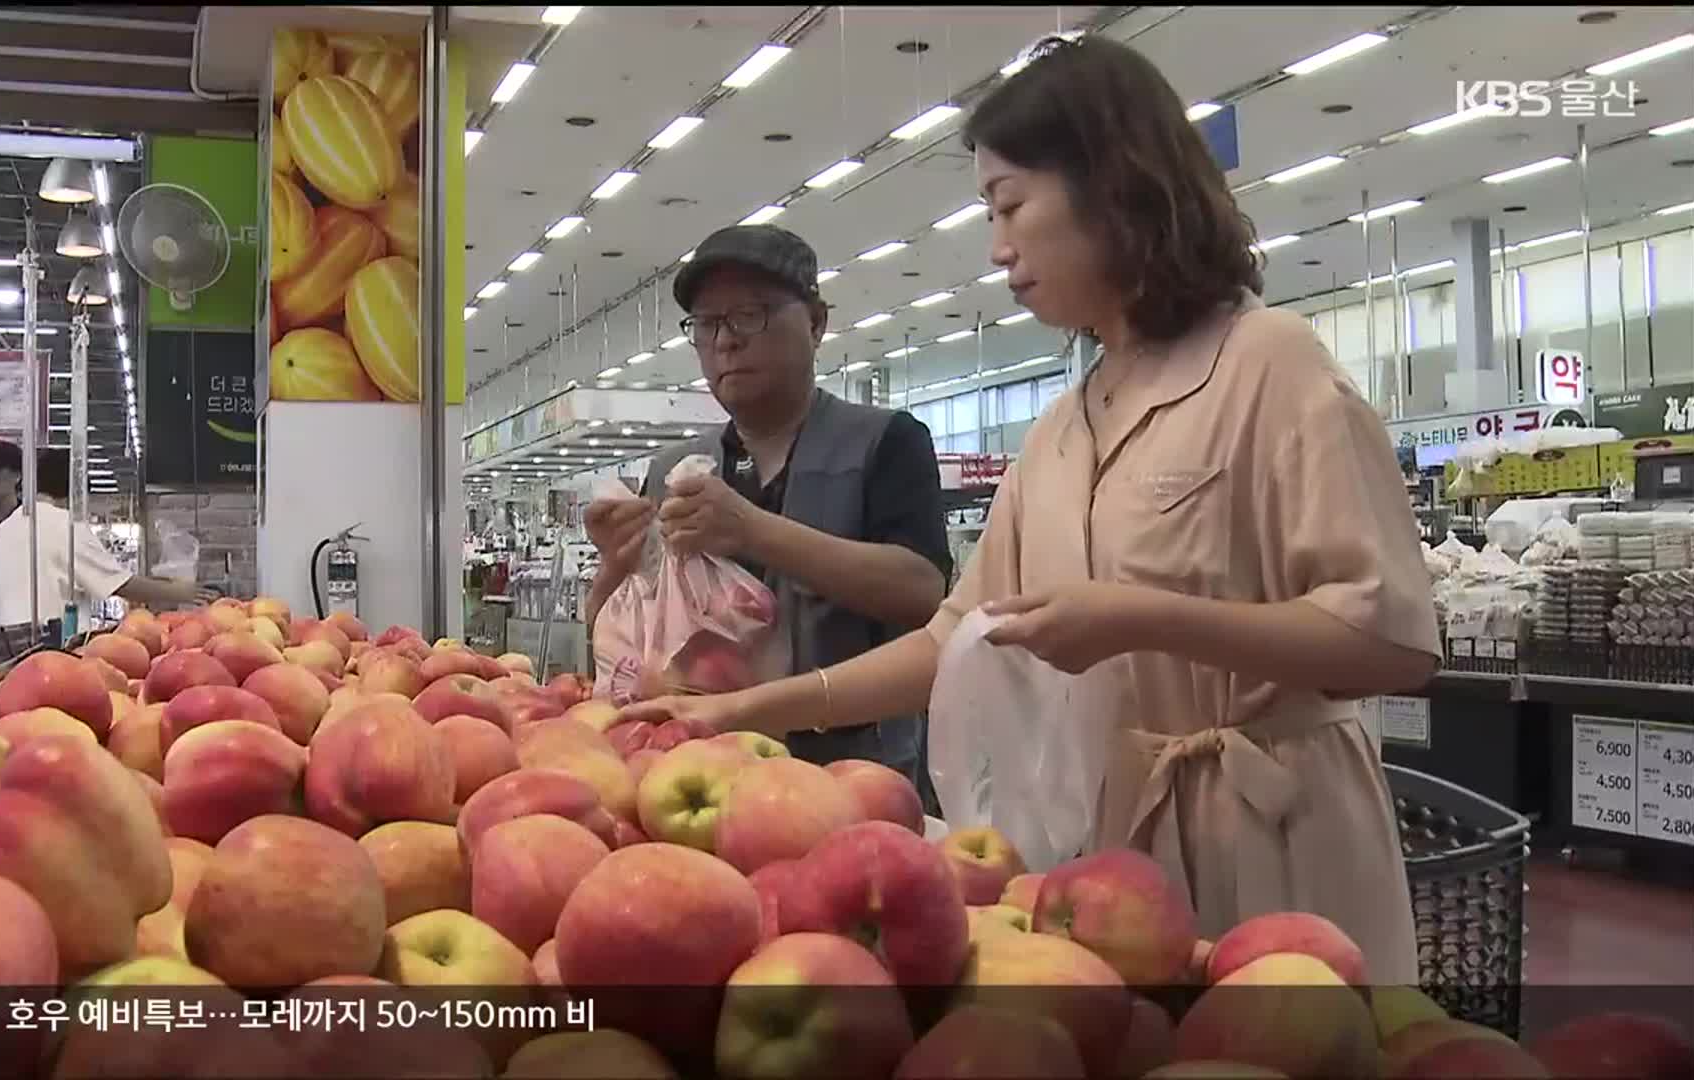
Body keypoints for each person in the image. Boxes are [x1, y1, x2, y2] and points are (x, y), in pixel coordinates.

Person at [622, 35, 1439, 985]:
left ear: (1110, 183)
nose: (999, 246)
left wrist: (1139, 618)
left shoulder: (1271, 364)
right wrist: (745, 709)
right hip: (1115, 854)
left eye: (1010, 204)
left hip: (1282, 846)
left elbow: (1391, 639)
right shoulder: (1062, 428)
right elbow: (955, 636)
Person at [587, 223, 954, 801]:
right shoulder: (675, 468)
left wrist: (755, 531)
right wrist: (614, 565)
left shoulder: (885, 442)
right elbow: (626, 641)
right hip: (693, 773)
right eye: (706, 325)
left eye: (750, 315)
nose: (725, 341)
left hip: (848, 775)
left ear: (815, 322)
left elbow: (924, 592)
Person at [0, 448, 216, 625]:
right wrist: (184, 592)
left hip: (4, 652)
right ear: (76, 492)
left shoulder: (2, 531)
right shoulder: (65, 526)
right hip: (50, 654)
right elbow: (121, 584)